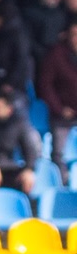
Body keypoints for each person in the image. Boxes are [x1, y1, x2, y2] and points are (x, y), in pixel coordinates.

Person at [38, 19, 77, 167]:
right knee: (59, 155)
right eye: (74, 34)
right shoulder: (56, 55)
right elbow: (45, 85)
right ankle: (61, 187)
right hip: (62, 116)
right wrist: (60, 109)